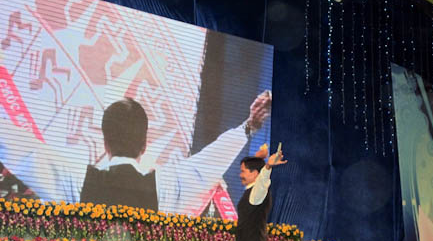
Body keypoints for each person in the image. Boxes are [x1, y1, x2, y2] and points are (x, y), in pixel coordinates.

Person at [0, 91, 271, 214]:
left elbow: (26, 152)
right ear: (144, 145)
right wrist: (249, 127)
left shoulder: (76, 180)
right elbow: (205, 166)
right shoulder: (165, 187)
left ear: (104, 141)